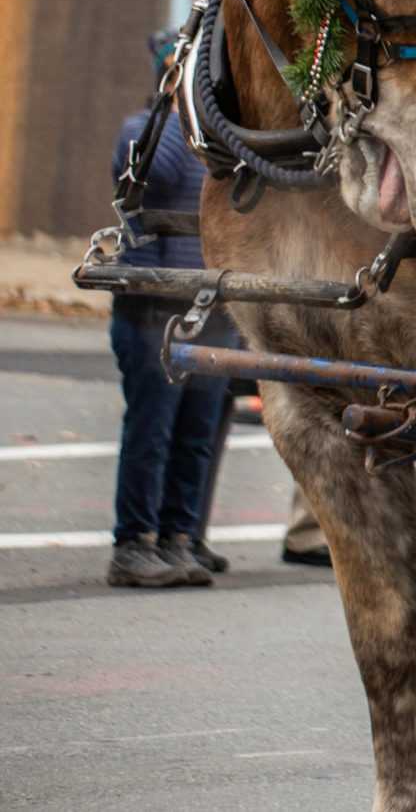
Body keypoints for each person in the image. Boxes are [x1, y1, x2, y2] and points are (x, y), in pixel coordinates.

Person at [104, 97, 230, 589]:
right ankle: (133, 543)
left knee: (196, 435)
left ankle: (180, 535)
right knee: (151, 432)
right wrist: (177, 115)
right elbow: (151, 173)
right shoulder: (147, 130)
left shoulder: (225, 141)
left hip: (208, 308)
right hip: (152, 309)